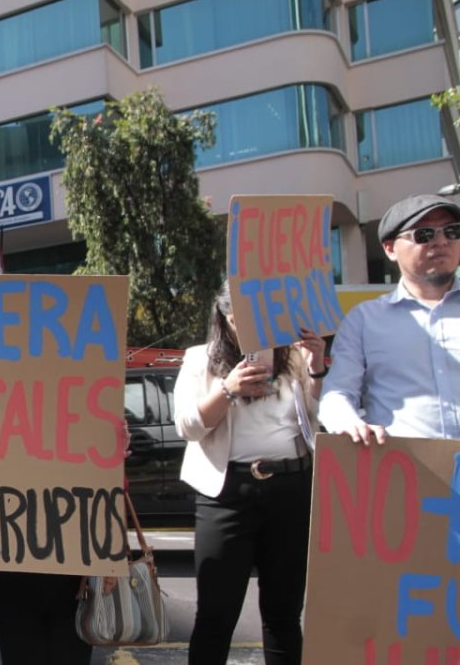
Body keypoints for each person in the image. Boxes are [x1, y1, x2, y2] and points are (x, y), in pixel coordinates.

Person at [174, 282, 325, 665]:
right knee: (215, 615)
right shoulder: (200, 360)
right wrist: (226, 389)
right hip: (227, 495)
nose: (260, 325)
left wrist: (317, 367)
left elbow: (323, 419)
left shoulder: (294, 358)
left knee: (284, 615)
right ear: (226, 318)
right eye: (246, 316)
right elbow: (189, 427)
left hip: (291, 488)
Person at [320, 194, 460, 445]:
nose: (441, 242)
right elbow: (337, 393)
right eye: (425, 234)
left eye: (452, 231)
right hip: (407, 472)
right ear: (390, 248)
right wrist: (348, 423)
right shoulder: (363, 321)